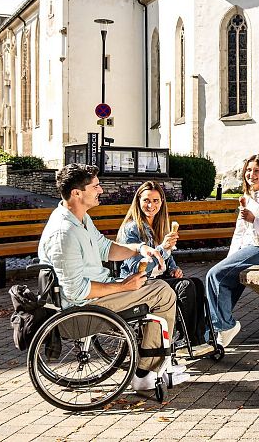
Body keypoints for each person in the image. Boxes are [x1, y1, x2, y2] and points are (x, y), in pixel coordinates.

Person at [38, 164, 179, 395]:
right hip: (82, 309)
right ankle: (145, 373)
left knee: (159, 288)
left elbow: (106, 248)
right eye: (95, 186)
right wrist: (123, 286)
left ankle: (151, 363)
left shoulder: (79, 219)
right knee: (162, 292)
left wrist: (140, 249)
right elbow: (76, 291)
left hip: (95, 299)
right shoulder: (64, 233)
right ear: (77, 193)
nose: (101, 190)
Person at [118, 181, 211, 358]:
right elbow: (137, 267)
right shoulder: (132, 228)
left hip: (158, 279)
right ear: (138, 201)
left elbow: (168, 258)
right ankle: (187, 340)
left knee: (197, 283)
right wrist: (162, 248)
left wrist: (174, 269)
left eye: (155, 200)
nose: (151, 205)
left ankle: (197, 339)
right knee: (185, 287)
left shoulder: (160, 225)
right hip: (139, 282)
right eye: (146, 200)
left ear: (162, 202)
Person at [206, 154, 259, 347]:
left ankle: (225, 326)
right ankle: (208, 334)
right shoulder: (248, 196)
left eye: (257, 170)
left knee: (212, 275)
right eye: (249, 170)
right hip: (249, 248)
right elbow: (240, 232)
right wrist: (230, 259)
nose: (252, 174)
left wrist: (255, 220)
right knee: (223, 280)